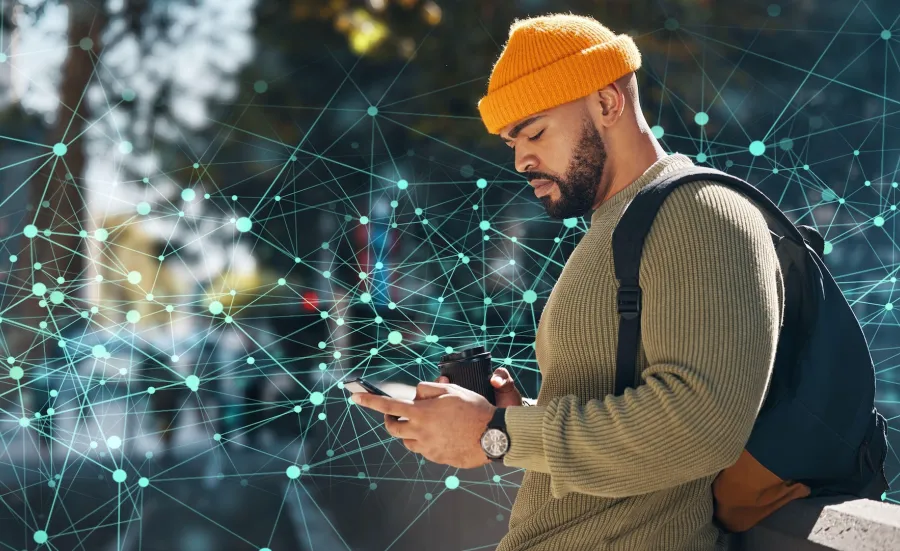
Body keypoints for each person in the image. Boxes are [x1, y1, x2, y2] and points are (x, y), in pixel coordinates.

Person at [352, 13, 784, 551]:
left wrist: (498, 433)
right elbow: (622, 409)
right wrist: (511, 422)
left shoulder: (701, 212)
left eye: (533, 131)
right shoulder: (621, 225)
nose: (521, 159)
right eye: (512, 141)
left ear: (607, 103)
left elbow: (700, 426)